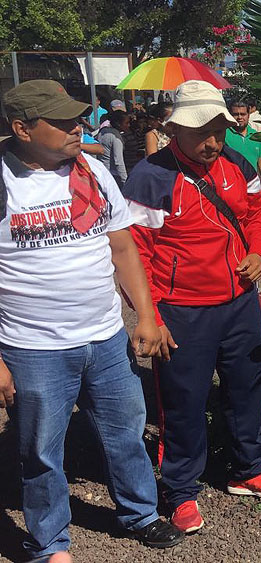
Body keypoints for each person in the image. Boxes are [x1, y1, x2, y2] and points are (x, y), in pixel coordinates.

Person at [0, 79, 184, 560]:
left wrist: (146, 315)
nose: (76, 127)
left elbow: (122, 247)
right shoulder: (3, 181)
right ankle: (49, 543)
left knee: (126, 432)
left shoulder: (93, 170)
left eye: (77, 117)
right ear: (22, 129)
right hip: (34, 348)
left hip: (105, 338)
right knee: (41, 451)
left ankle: (140, 513)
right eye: (61, 121)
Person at [122, 80, 261, 535]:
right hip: (182, 310)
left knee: (248, 388)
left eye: (218, 130)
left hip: (240, 303)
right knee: (183, 401)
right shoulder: (150, 176)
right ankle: (180, 489)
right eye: (201, 132)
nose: (213, 142)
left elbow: (254, 215)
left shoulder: (238, 162)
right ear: (175, 129)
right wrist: (151, 317)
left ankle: (249, 469)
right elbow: (135, 253)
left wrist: (259, 252)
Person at [226, 99, 261, 199]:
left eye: (243, 114)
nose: (239, 117)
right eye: (236, 114)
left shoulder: (256, 136)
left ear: (248, 115)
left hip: (252, 187)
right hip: (230, 188)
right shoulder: (224, 135)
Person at [96, 110, 130, 186]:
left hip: (102, 173)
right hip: (113, 176)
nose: (129, 125)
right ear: (118, 124)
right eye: (126, 123)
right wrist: (125, 181)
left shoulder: (102, 131)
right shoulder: (116, 137)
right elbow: (118, 162)